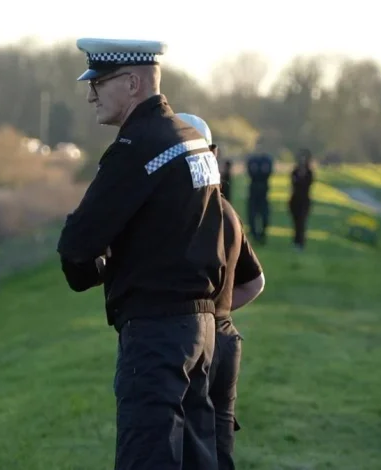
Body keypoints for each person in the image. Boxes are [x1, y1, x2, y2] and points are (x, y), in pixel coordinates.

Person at [57, 37, 232, 470]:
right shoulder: (191, 138)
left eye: (99, 82)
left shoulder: (137, 149)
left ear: (133, 83)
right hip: (202, 329)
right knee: (196, 457)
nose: (90, 93)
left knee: (147, 457)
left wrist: (93, 269)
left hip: (156, 333)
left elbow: (78, 244)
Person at [176, 113, 266, 470]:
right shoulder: (227, 211)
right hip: (226, 339)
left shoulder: (181, 214)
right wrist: (218, 314)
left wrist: (202, 319)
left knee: (187, 445)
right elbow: (255, 282)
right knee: (220, 437)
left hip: (192, 342)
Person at [245, 141, 274, 244]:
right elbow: (251, 173)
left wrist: (258, 172)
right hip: (253, 190)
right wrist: (260, 172)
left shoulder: (268, 160)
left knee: (264, 215)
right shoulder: (252, 160)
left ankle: (262, 234)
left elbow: (267, 173)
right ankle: (254, 235)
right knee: (252, 215)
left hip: (264, 191)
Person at [288, 148, 314, 251]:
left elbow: (306, 185)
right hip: (295, 200)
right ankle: (296, 241)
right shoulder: (295, 171)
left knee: (302, 222)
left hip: (304, 200)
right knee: (296, 222)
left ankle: (301, 242)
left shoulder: (309, 173)